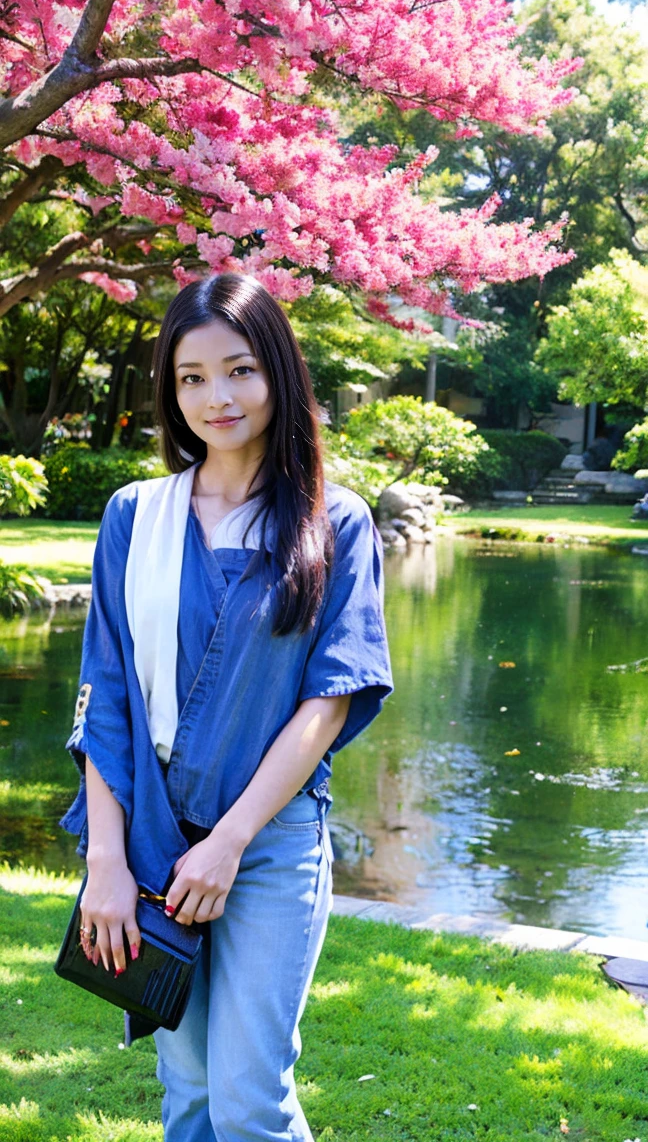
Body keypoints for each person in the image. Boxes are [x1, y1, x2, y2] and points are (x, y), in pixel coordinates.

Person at [60, 273, 393, 1142]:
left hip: (269, 842)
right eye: (192, 377)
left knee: (250, 1101)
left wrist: (232, 841)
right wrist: (106, 861)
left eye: (240, 369)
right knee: (193, 1096)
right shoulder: (137, 517)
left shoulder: (333, 523)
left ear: (278, 372)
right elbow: (106, 699)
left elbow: (331, 699)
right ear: (171, 391)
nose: (218, 397)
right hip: (154, 843)